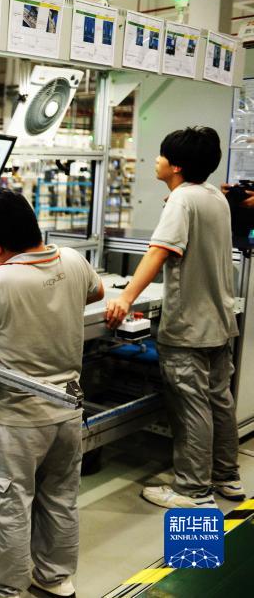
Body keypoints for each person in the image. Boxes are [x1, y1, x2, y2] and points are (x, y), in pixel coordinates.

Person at [0, 189, 104, 598]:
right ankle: (55, 578)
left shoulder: (2, 279)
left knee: (9, 504)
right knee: (60, 498)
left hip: (18, 420)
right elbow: (96, 292)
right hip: (68, 410)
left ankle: (4, 588)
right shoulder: (71, 259)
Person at [106, 127, 243, 509]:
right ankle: (227, 477)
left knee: (192, 408)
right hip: (218, 322)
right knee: (219, 402)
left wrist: (125, 298)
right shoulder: (214, 196)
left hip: (189, 327)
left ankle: (193, 491)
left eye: (162, 155)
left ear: (177, 165)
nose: (156, 160)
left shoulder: (182, 200)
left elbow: (159, 252)